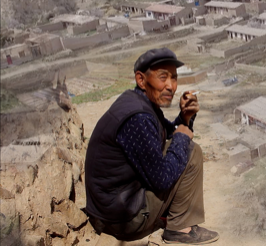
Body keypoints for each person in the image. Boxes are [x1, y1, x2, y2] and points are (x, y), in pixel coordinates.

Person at [84, 48, 219, 244]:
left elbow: (168, 132)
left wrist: (185, 118)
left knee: (180, 145)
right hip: (123, 219)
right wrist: (182, 138)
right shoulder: (138, 117)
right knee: (191, 151)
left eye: (174, 78)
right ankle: (180, 228)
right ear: (141, 79)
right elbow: (162, 180)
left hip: (111, 208)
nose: (171, 86)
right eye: (163, 77)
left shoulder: (138, 101)